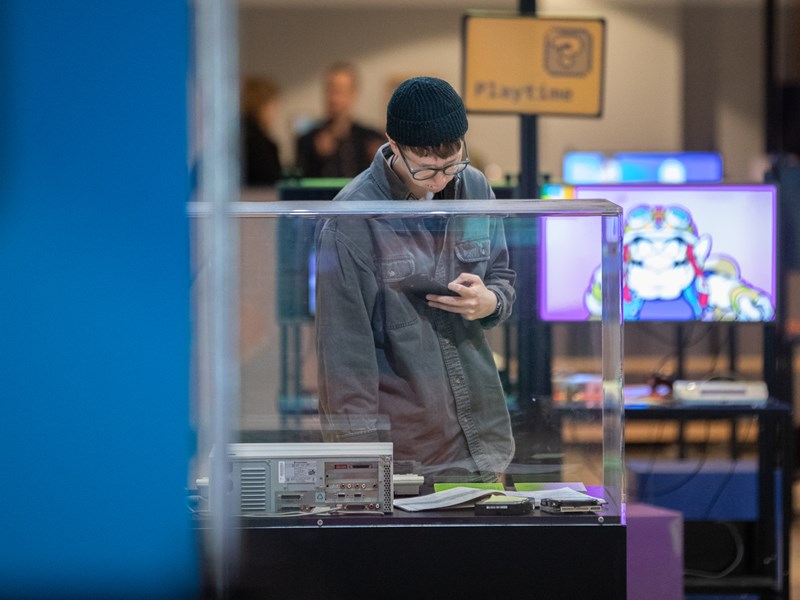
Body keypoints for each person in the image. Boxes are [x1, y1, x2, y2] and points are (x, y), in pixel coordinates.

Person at [314, 76, 516, 485]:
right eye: (425, 170)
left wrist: (491, 302)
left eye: (451, 164)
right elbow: (344, 358)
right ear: (393, 144)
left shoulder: (475, 186)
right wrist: (359, 470)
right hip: (406, 451)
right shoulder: (351, 219)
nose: (440, 180)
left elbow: (502, 275)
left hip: (483, 437)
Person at [295, 62, 384, 178]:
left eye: (340, 90)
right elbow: (299, 179)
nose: (333, 98)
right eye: (330, 90)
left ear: (353, 93)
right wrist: (316, 157)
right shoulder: (308, 140)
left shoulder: (371, 139)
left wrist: (379, 161)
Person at [240, 76, 282, 187]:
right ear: (263, 106)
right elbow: (270, 184)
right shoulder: (260, 144)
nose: (275, 112)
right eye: (274, 105)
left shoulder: (235, 133)